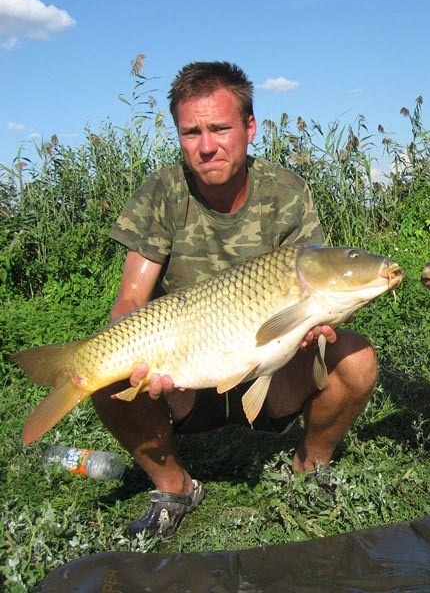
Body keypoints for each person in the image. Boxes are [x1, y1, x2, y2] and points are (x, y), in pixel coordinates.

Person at [93, 61, 378, 537]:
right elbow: (128, 303)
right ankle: (174, 486)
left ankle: (310, 467)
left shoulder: (287, 192)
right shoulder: (163, 192)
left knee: (358, 360)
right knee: (101, 368)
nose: (206, 146)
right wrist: (134, 360)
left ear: (250, 127)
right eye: (191, 132)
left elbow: (317, 278)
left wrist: (317, 329)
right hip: (187, 366)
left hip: (272, 360)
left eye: (220, 128)